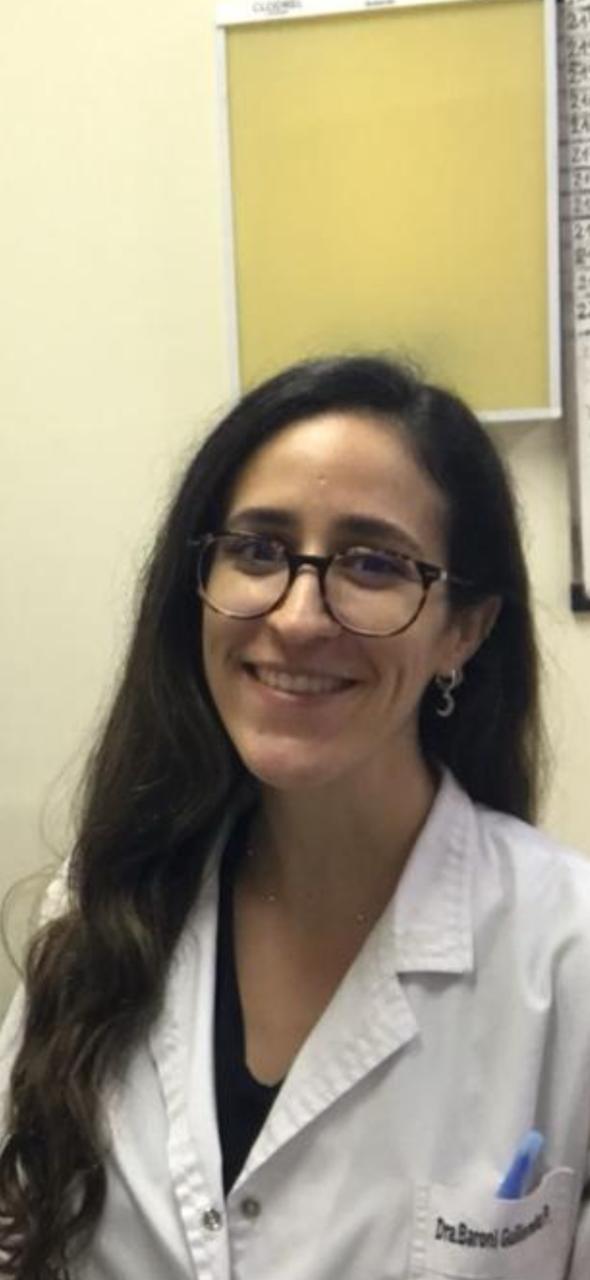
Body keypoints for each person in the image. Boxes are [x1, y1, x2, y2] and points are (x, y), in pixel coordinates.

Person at [0, 353, 589, 1280]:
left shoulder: (568, 955)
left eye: (373, 563)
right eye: (259, 550)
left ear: (464, 630)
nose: (299, 616)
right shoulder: (104, 901)